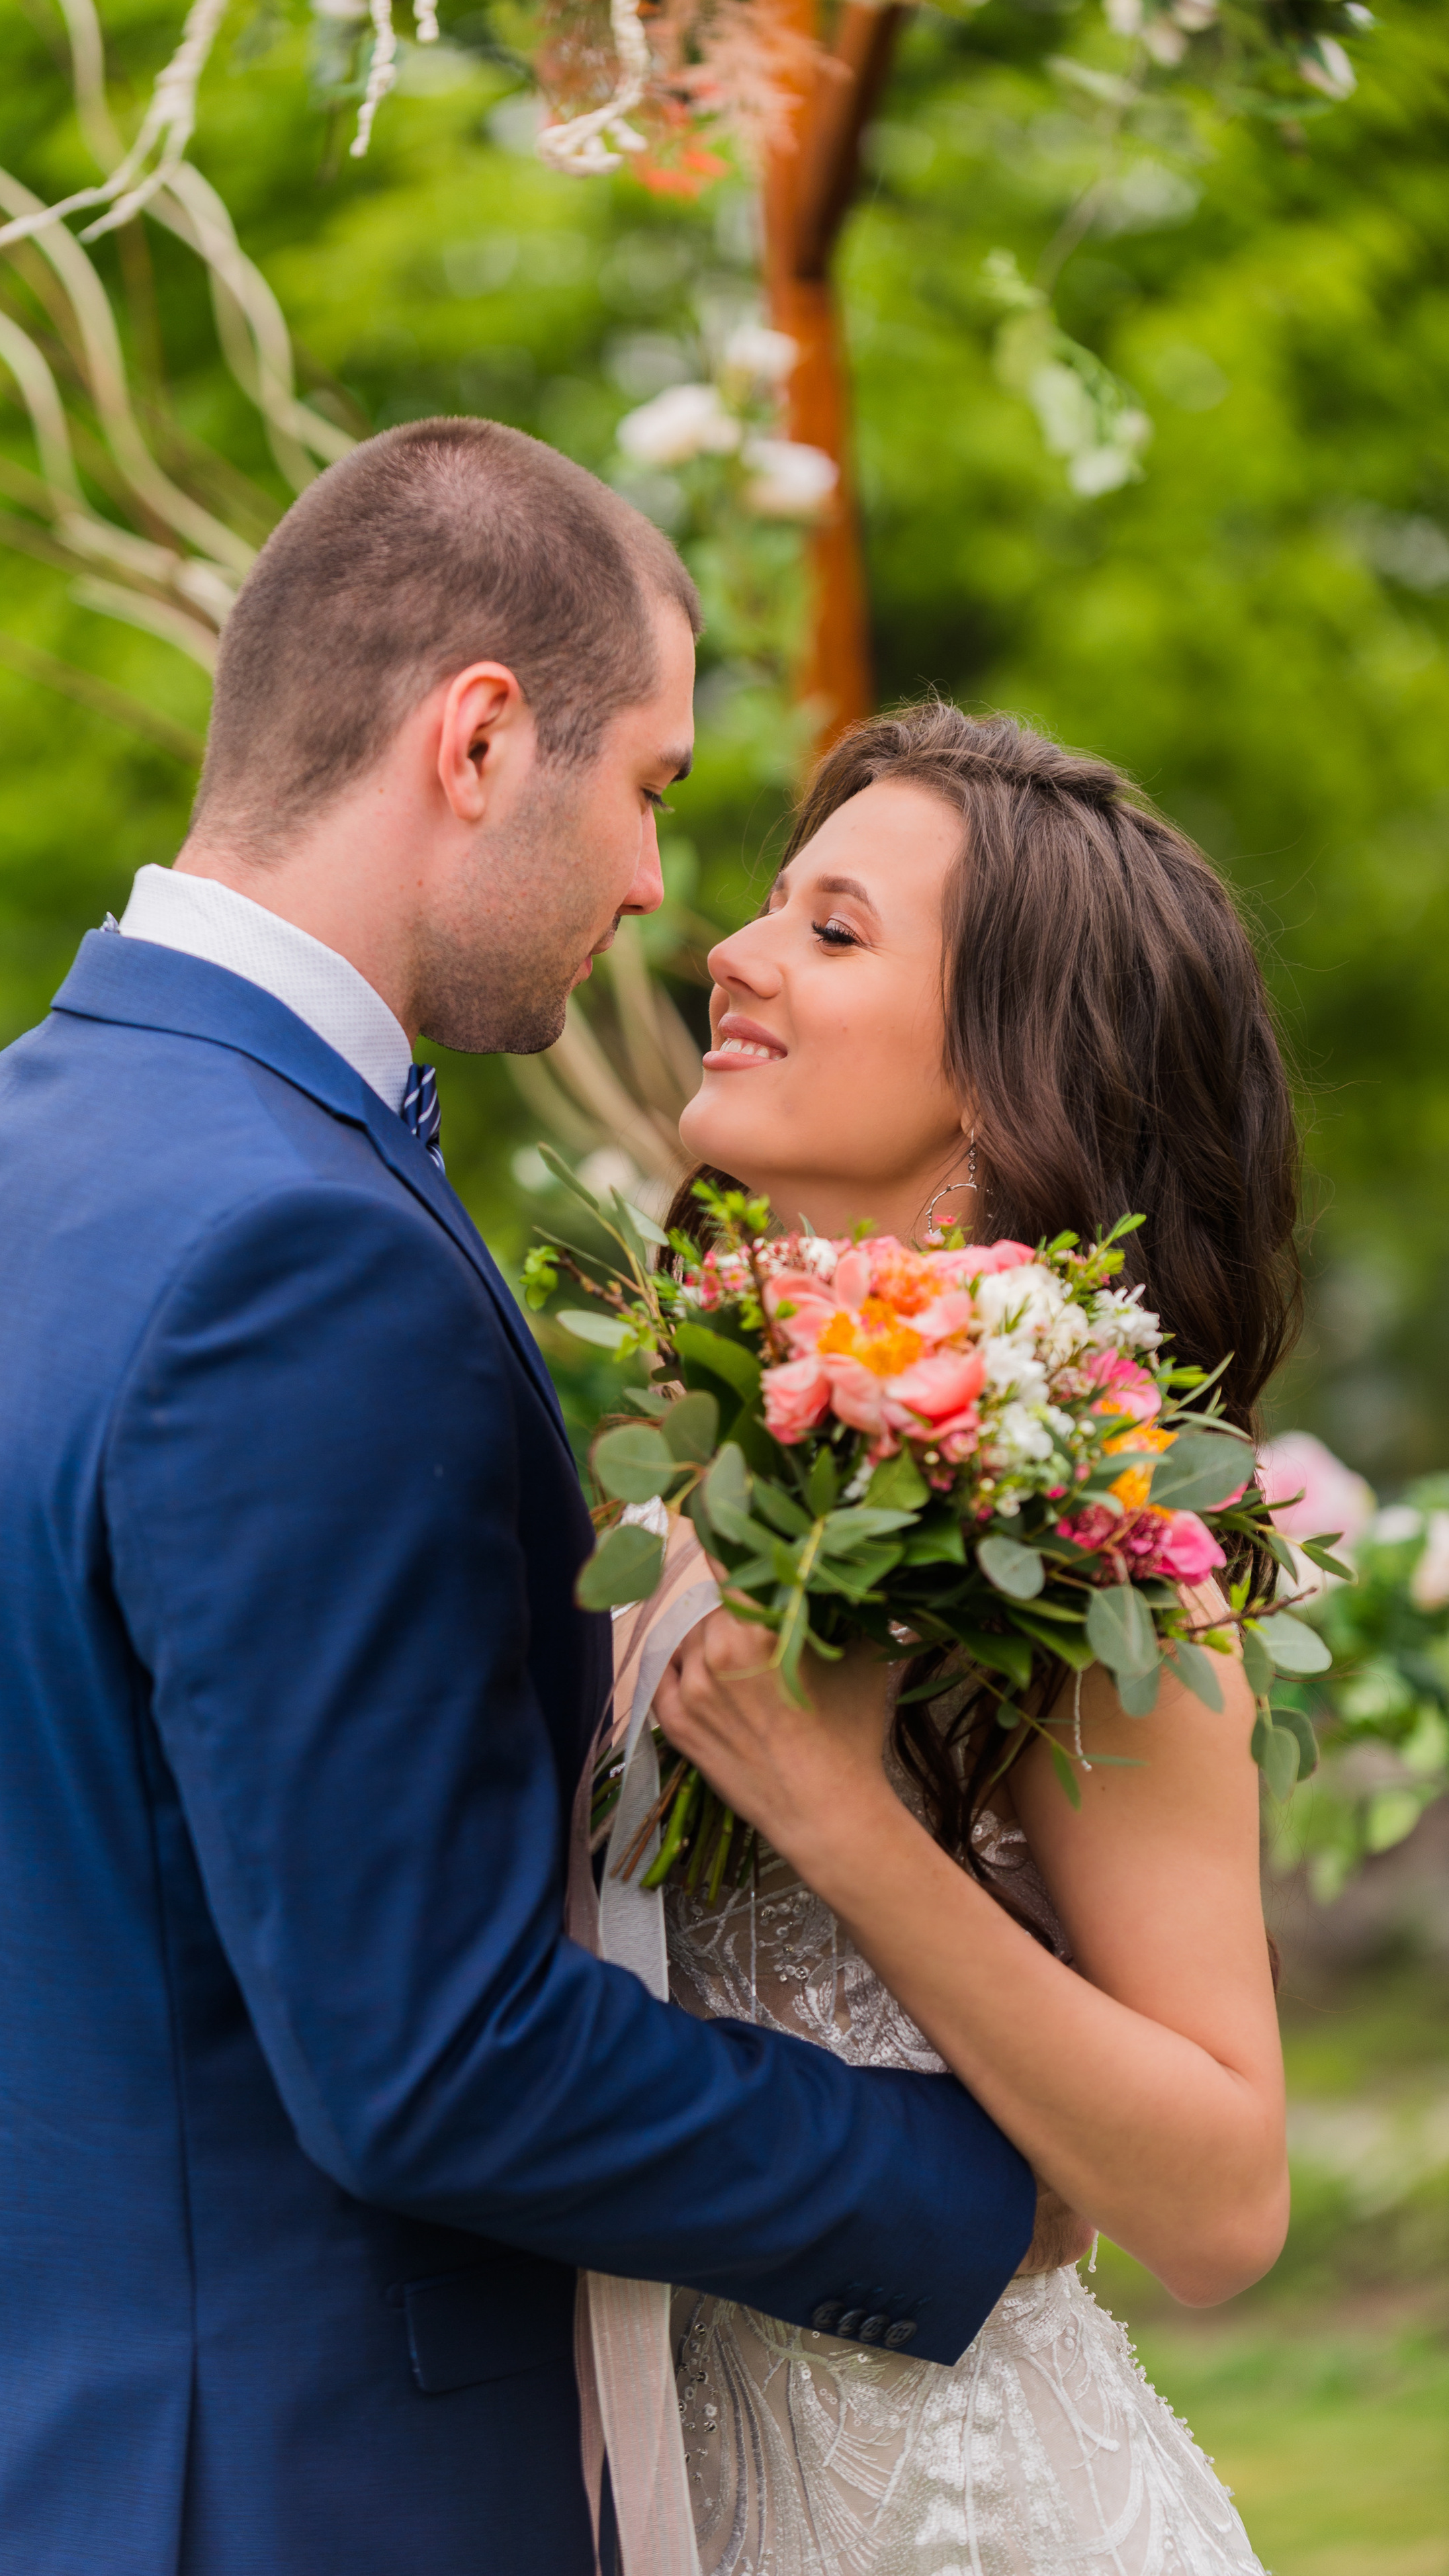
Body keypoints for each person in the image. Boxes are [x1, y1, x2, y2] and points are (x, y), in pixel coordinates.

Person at [0, 427, 1036, 2576]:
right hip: (296, 2506)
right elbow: (439, 2056)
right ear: (478, 740)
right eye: (649, 785)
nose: (659, 885)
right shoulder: (295, 1247)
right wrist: (976, 2182)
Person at [627, 701, 1299, 2573]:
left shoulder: (1103, 1544)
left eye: (832, 931)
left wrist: (845, 1821)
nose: (732, 953)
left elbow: (1224, 2201)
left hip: (964, 2518)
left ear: (1005, 1082)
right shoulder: (685, 1457)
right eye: (774, 905)